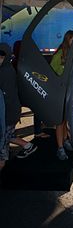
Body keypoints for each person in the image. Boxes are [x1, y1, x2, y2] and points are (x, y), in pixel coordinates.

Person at [0, 43, 37, 171]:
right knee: (8, 135)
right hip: (12, 111)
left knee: (3, 146)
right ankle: (27, 145)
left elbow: (6, 97)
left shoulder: (5, 72)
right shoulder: (8, 69)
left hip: (8, 113)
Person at [50, 30, 73, 160]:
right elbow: (51, 73)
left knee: (65, 119)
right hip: (60, 92)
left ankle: (65, 141)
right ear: (67, 39)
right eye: (72, 38)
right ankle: (60, 148)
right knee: (59, 121)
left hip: (69, 92)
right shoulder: (60, 54)